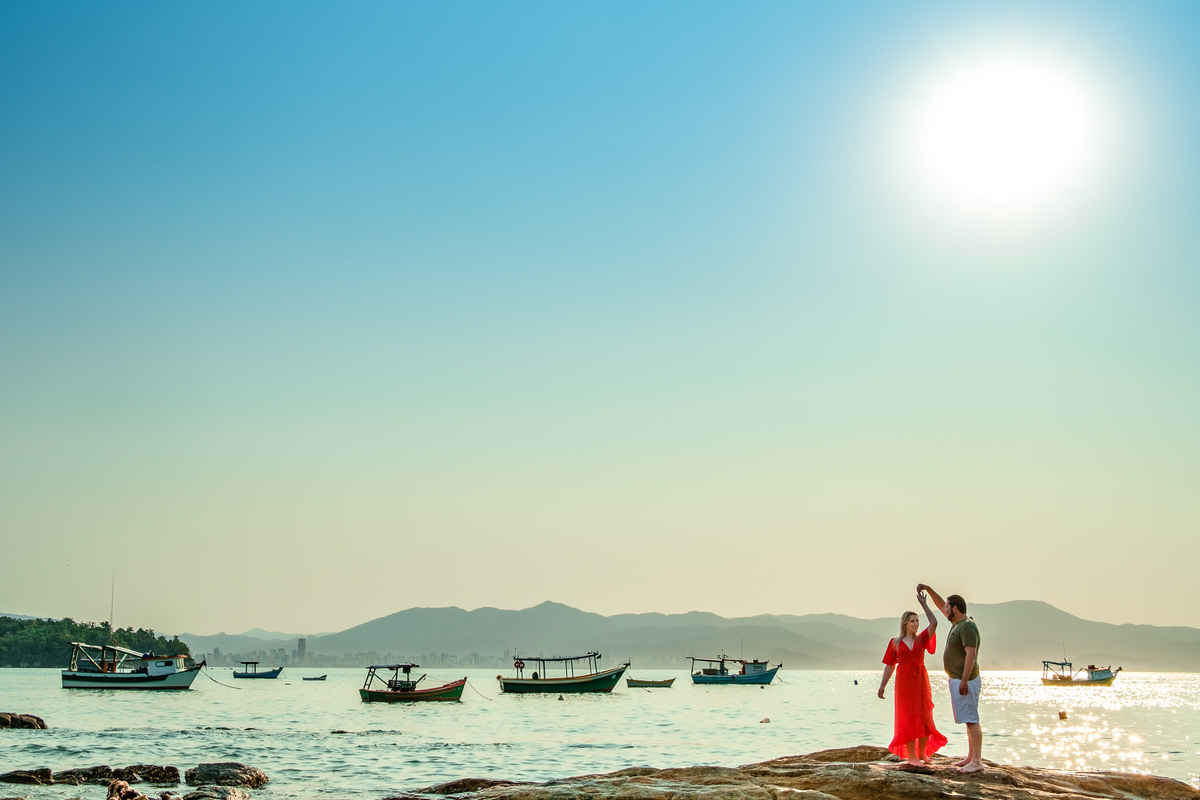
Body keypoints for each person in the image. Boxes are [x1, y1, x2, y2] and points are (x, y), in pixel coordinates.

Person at [917, 583, 983, 773]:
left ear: (955, 608)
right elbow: (939, 605)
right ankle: (971, 757)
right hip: (959, 679)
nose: (944, 610)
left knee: (972, 720)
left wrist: (963, 680)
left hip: (966, 681)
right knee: (968, 719)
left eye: (947, 607)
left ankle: (977, 762)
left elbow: (971, 654)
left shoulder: (967, 627)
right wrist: (928, 590)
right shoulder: (957, 624)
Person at [877, 591, 947, 765]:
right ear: (905, 624)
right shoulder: (895, 642)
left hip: (921, 680)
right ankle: (911, 756)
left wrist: (924, 604)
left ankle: (922, 753)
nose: (916, 624)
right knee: (907, 717)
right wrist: (882, 686)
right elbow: (889, 665)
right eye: (913, 621)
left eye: (917, 621)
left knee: (924, 715)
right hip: (904, 682)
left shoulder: (922, 638)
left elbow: (934, 622)